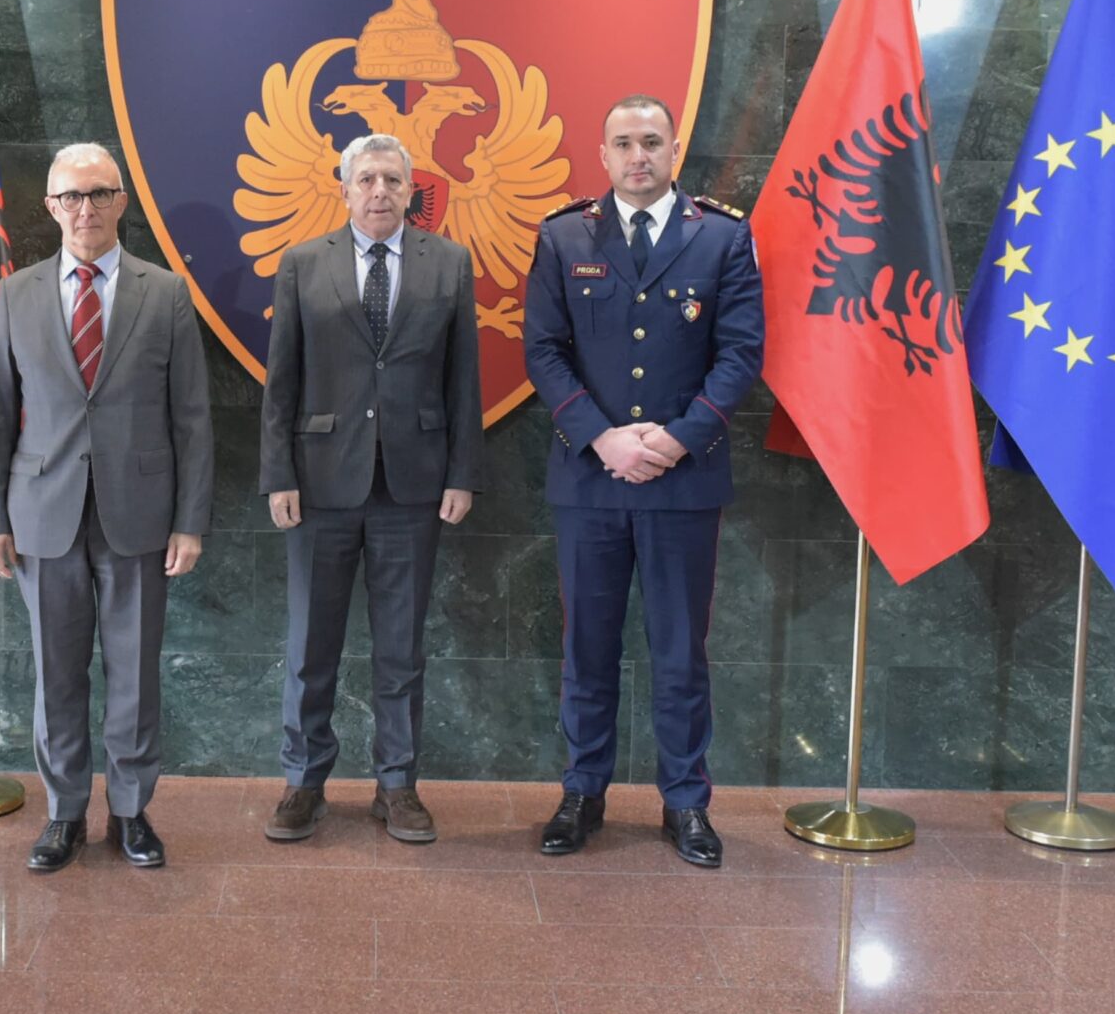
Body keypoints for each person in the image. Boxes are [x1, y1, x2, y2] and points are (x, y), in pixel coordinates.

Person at [523, 96, 763, 867]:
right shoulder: (564, 236)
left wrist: (675, 439)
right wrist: (603, 437)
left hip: (680, 482)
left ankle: (686, 800)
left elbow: (740, 353)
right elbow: (543, 349)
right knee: (586, 647)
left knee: (680, 652)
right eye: (623, 142)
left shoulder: (722, 236)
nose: (638, 156)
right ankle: (582, 791)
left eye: (651, 141)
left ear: (674, 149)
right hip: (590, 480)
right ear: (603, 153)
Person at [0, 143, 214, 873]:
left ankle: (132, 813)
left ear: (122, 202)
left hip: (139, 515)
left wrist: (190, 520)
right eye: (72, 196)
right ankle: (64, 814)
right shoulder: (17, 294)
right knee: (57, 674)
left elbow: (193, 418)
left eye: (100, 193)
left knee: (135, 673)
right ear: (51, 207)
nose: (87, 209)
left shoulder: (165, 293)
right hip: (41, 513)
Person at [258, 133, 483, 845]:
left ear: (411, 190)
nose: (379, 191)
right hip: (319, 482)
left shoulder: (448, 262)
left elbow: (464, 379)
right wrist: (278, 474)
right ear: (345, 189)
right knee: (309, 645)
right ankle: (303, 781)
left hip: (413, 485)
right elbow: (282, 380)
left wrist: (462, 473)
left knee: (402, 647)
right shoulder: (303, 263)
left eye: (392, 179)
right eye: (366, 179)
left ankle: (397, 785)